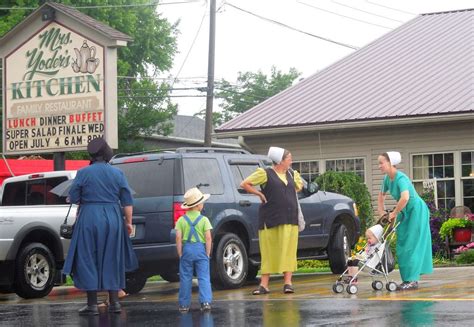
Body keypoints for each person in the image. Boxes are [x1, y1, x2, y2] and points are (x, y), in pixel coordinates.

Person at [63, 137, 138, 315]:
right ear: (106, 153)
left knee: (88, 258)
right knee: (112, 257)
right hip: (113, 216)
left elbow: (74, 198)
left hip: (89, 217)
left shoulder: (83, 173)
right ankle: (114, 303)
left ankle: (91, 305)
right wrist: (128, 222)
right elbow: (127, 201)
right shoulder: (118, 173)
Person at [240, 146, 303, 295]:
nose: (291, 161)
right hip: (270, 218)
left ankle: (288, 283)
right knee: (269, 251)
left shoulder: (292, 174)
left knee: (288, 250)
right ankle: (264, 285)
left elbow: (298, 188)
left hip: (290, 218)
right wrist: (259, 194)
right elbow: (245, 184)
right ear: (280, 161)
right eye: (289, 159)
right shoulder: (265, 173)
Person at [377, 151, 433, 290]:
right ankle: (407, 279)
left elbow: (405, 198)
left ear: (391, 163)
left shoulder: (401, 178)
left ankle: (412, 280)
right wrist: (382, 212)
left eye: (381, 162)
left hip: (416, 210)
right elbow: (381, 196)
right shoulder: (386, 179)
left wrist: (394, 213)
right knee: (402, 244)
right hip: (403, 211)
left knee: (412, 244)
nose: (379, 166)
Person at [175, 187, 213, 313]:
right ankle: (205, 302)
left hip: (187, 249)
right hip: (200, 249)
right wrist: (207, 253)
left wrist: (180, 252)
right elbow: (208, 238)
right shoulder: (204, 220)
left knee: (185, 277)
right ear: (198, 205)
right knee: (203, 276)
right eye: (202, 202)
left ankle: (184, 305)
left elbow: (178, 238)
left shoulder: (181, 220)